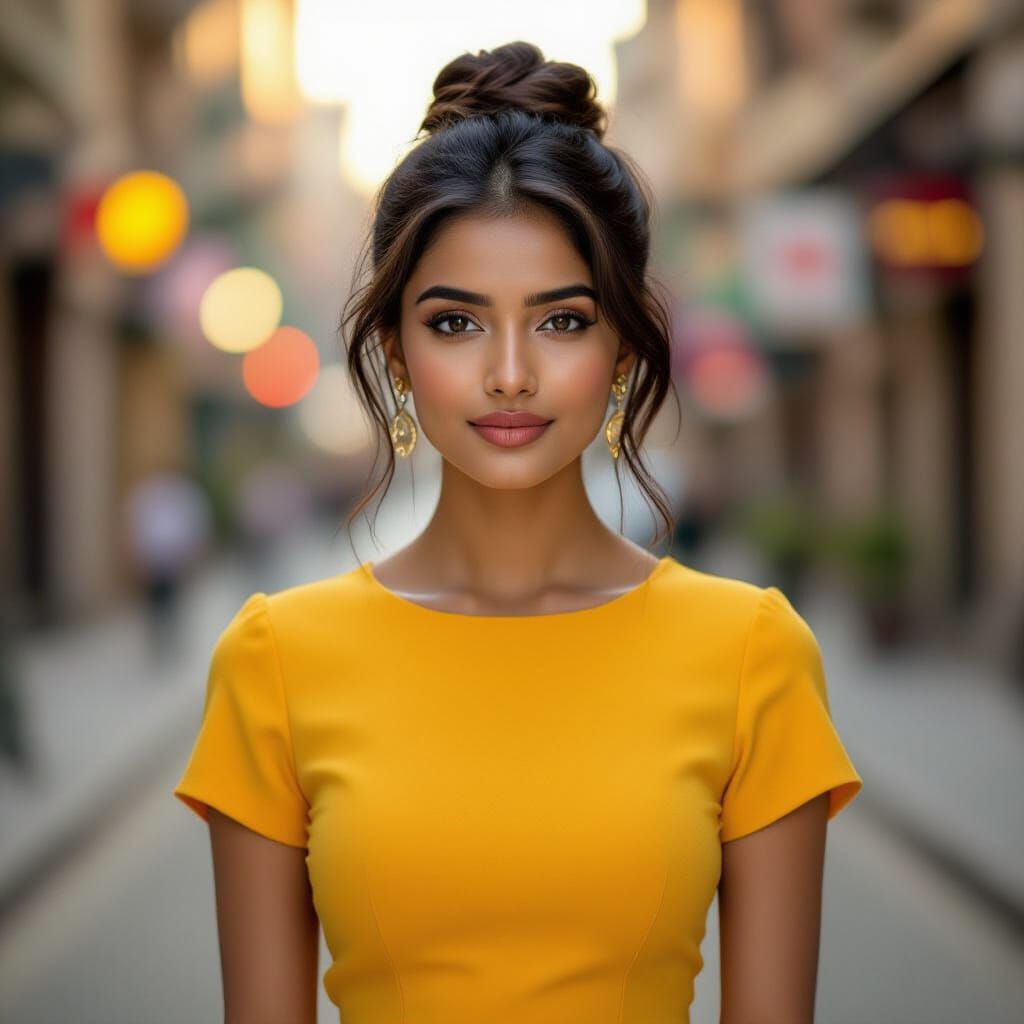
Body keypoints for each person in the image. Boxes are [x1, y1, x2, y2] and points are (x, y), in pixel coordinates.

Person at [172, 41, 862, 1024]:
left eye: (561, 321)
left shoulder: (754, 656)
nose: (508, 374)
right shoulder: (274, 662)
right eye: (455, 323)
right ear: (395, 352)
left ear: (622, 347)